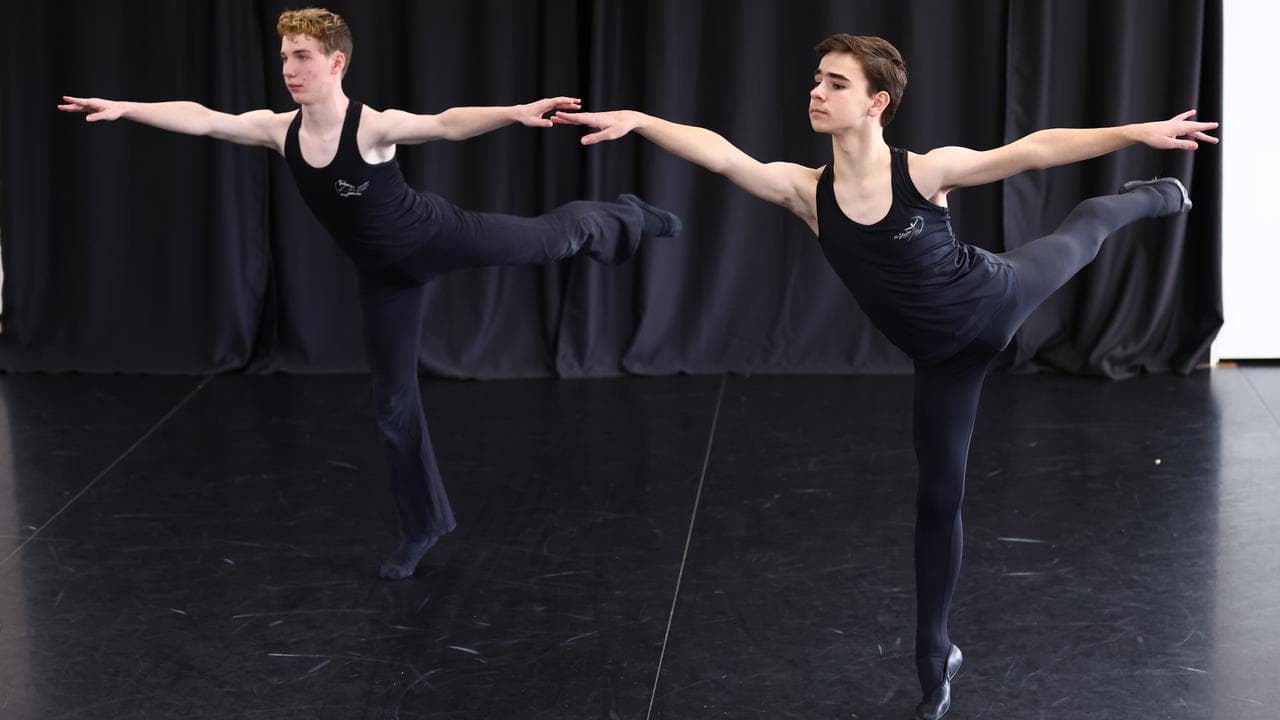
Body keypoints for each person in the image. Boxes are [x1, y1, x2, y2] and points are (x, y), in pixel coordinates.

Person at [553, 33, 1217, 720]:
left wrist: (1136, 133)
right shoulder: (808, 193)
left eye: (836, 83)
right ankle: (936, 655)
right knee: (938, 499)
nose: (816, 91)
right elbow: (722, 154)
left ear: (877, 102)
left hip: (996, 298)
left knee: (1084, 230)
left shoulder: (924, 173)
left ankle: (1152, 195)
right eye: (817, 79)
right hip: (943, 362)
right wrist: (641, 121)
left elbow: (1035, 149)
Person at [58, 7, 681, 582]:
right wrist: (128, 107)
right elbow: (205, 118)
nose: (289, 69)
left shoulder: (372, 126)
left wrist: (513, 112)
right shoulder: (279, 130)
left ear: (336, 62)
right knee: (393, 404)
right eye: (284, 57)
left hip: (437, 235)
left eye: (302, 56)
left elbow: (446, 123)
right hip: (383, 278)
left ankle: (627, 215)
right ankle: (423, 526)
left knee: (552, 240)